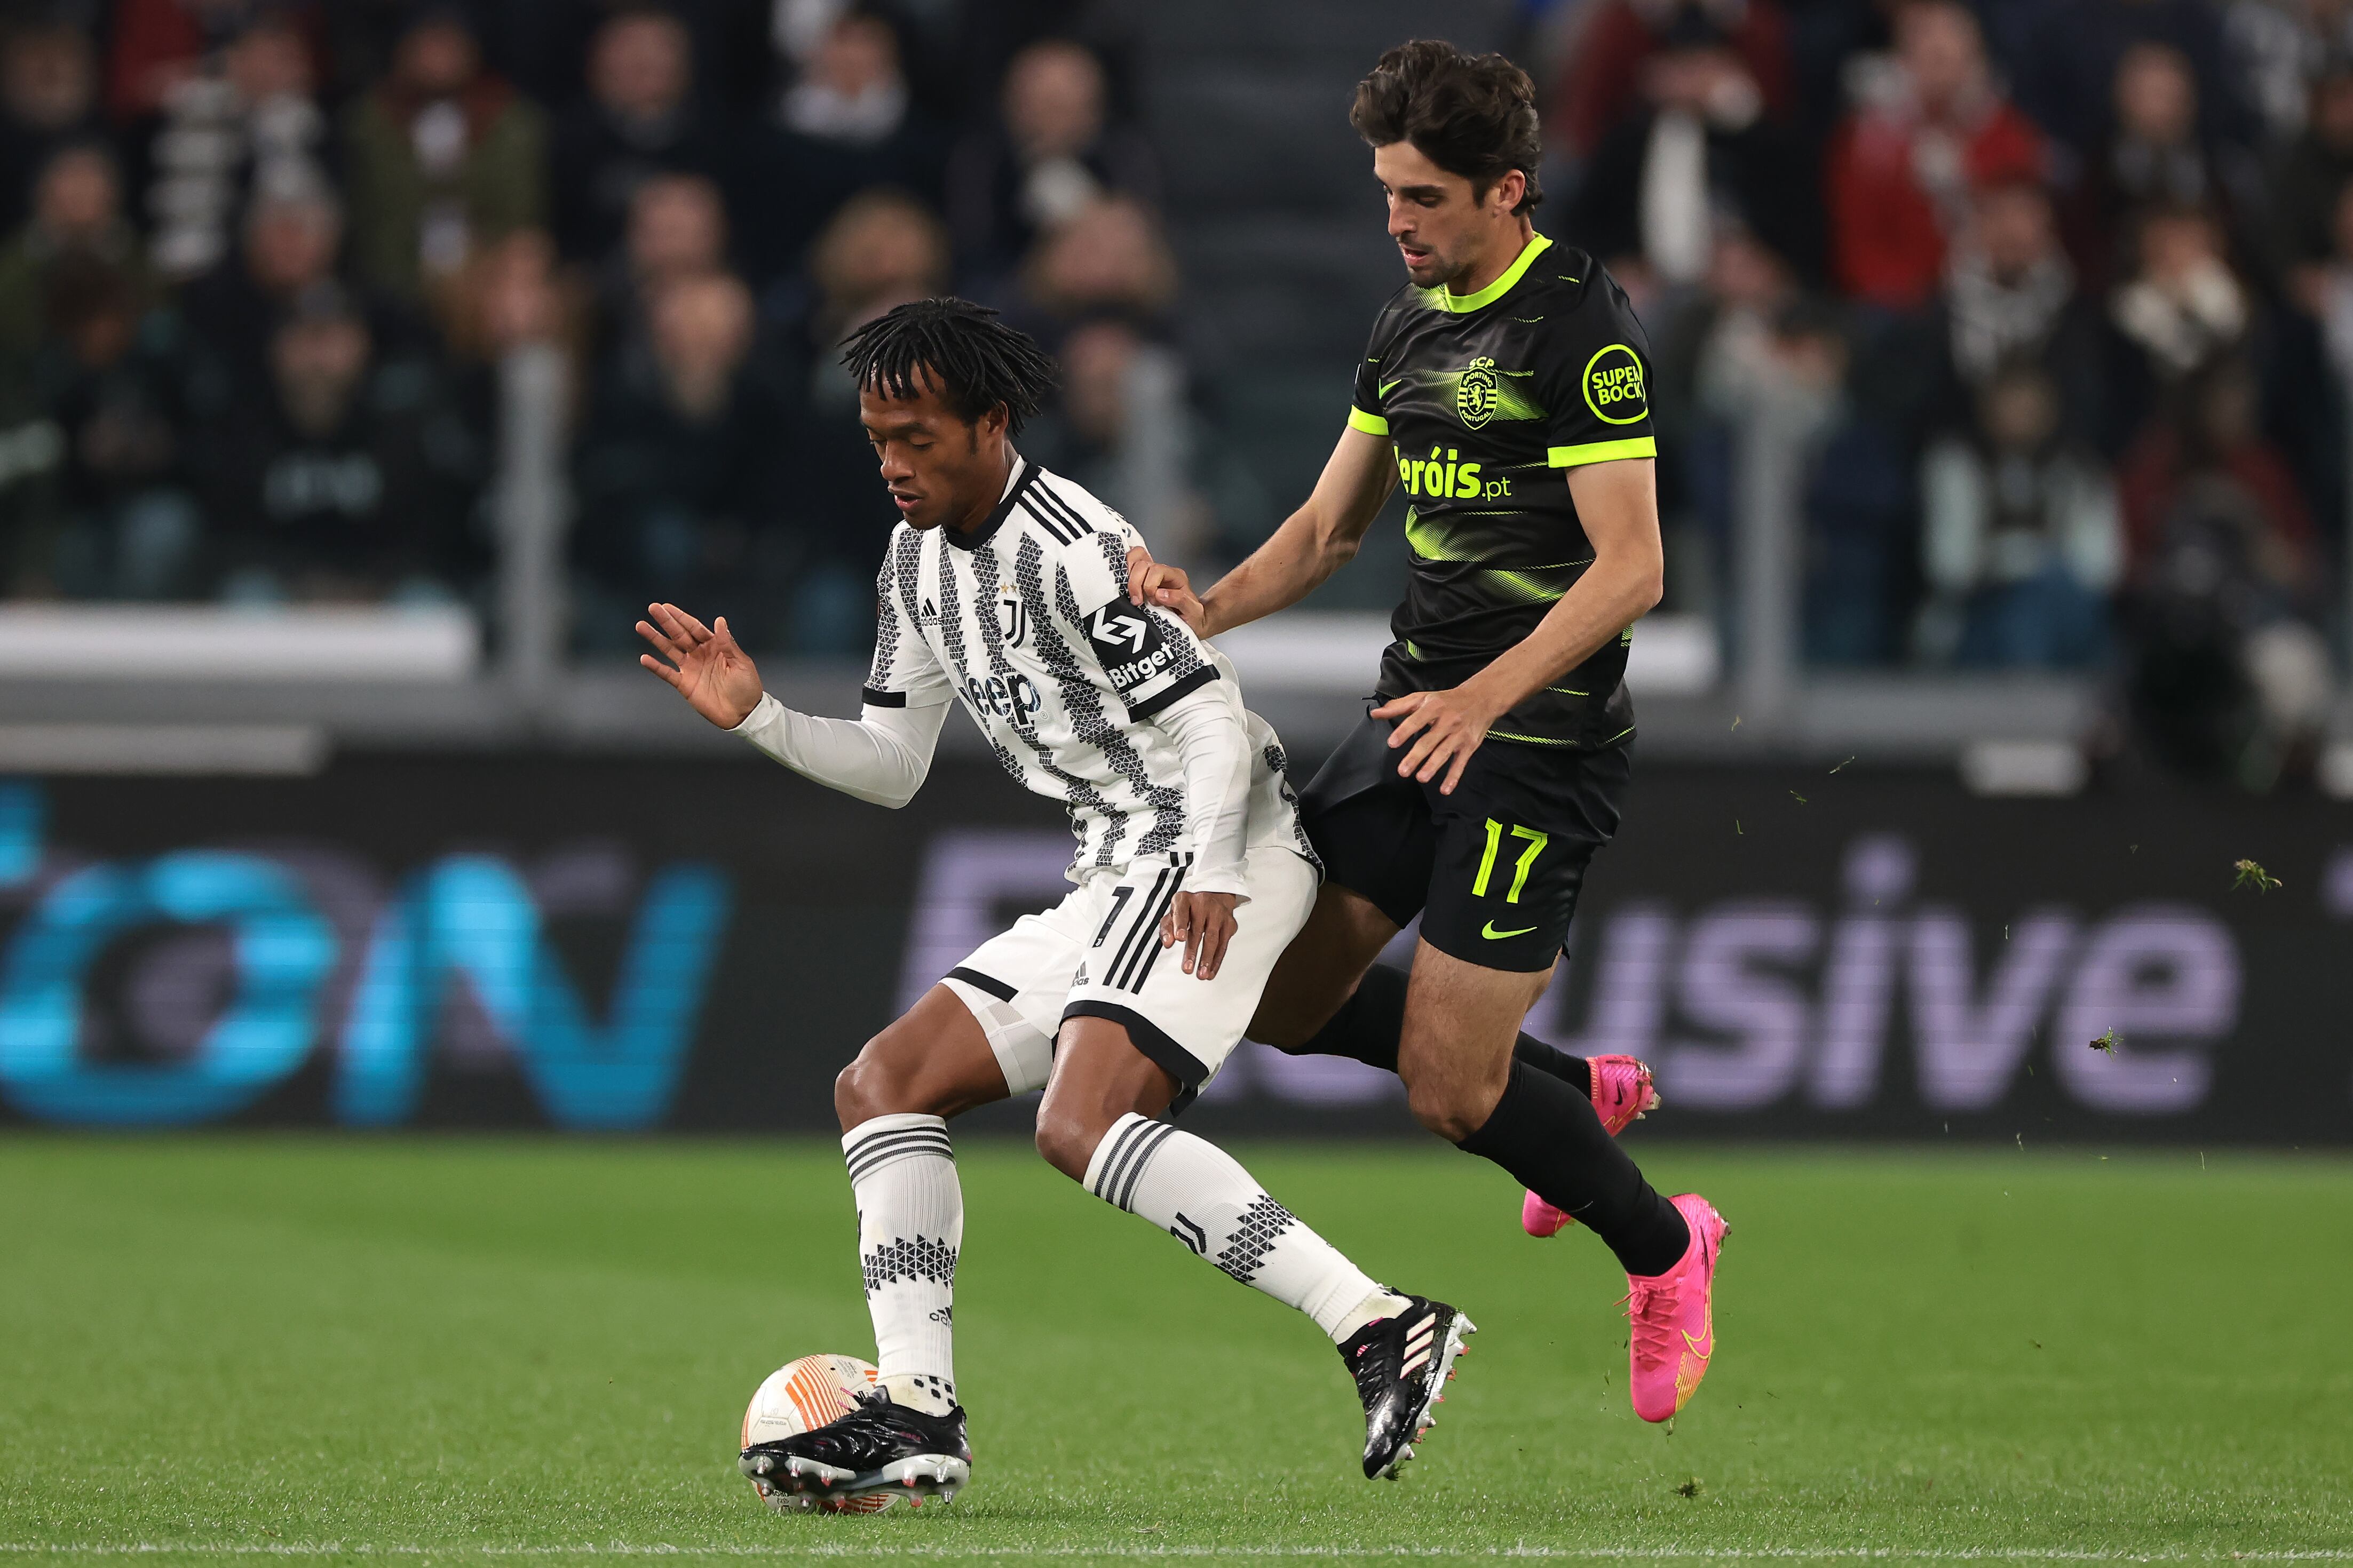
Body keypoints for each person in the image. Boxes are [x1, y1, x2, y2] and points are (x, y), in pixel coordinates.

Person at [635, 298, 1471, 1506]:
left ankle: (1376, 1321)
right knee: (883, 1085)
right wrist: (759, 718)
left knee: (1080, 1125)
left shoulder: (1077, 546)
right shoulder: (914, 562)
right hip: (1114, 866)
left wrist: (1213, 871)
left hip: (1214, 843)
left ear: (991, 424)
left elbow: (1207, 719)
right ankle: (919, 1408)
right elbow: (894, 764)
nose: (893, 465)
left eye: (918, 438)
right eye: (878, 441)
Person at [1127, 40, 1724, 1427]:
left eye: (1425, 198)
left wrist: (1486, 695)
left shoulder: (1579, 327)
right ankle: (1574, 1092)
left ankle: (1665, 1246)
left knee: (1452, 1094)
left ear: (1506, 192)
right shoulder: (1406, 326)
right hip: (1415, 719)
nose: (1396, 220)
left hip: (1536, 747)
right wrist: (1205, 609)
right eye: (1387, 191)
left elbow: (1633, 568)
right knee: (1279, 998)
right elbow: (1328, 532)